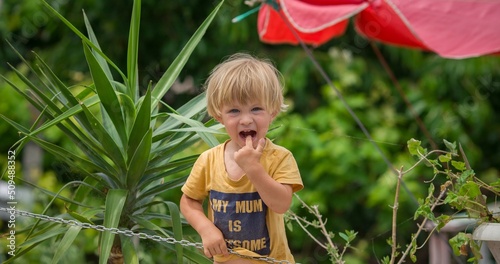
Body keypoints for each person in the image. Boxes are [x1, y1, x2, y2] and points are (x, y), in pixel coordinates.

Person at [180, 53, 303, 263]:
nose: (246, 120)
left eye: (256, 109)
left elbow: (281, 204)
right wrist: (206, 229)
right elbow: (189, 201)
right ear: (219, 116)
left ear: (272, 112)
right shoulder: (209, 160)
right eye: (234, 111)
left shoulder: (279, 158)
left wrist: (253, 168)